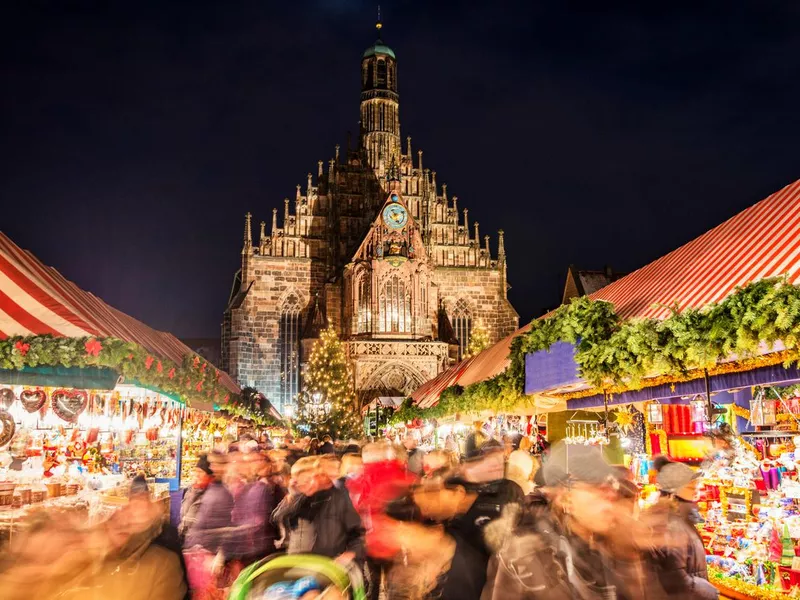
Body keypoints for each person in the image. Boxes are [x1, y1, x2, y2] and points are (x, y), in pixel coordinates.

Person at [482, 441, 627, 599]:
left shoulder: (617, 550)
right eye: (597, 487)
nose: (610, 495)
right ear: (565, 497)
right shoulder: (523, 559)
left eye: (611, 485)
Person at [639, 462, 718, 599]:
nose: (695, 490)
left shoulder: (681, 518)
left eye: (695, 485)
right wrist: (707, 591)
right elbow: (674, 576)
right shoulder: (671, 524)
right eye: (690, 486)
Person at [272, 456, 365, 563]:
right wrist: (293, 496)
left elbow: (357, 534)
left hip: (328, 566)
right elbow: (277, 518)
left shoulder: (338, 498)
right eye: (301, 479)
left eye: (309, 478)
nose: (305, 483)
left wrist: (351, 554)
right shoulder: (298, 499)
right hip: (297, 563)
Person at [231, 450, 279, 564]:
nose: (251, 464)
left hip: (260, 545)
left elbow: (262, 519)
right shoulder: (253, 485)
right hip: (253, 544)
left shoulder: (267, 486)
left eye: (254, 461)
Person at [179, 454, 215, 541]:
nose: (197, 475)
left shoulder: (212, 493)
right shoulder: (192, 489)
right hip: (185, 538)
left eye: (201, 472)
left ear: (209, 475)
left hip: (199, 542)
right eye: (196, 471)